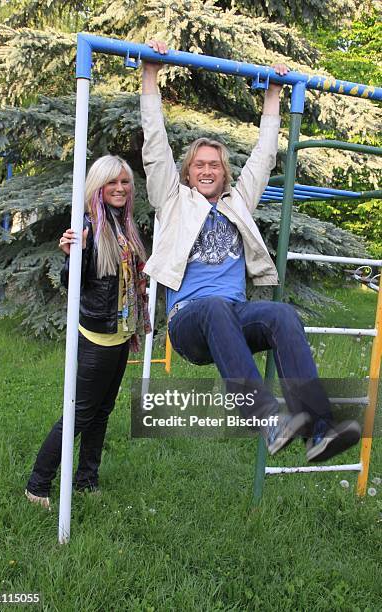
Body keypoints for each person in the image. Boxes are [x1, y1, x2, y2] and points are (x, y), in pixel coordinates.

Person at [140, 40, 361, 461]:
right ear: (187, 172)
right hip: (191, 323)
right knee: (214, 307)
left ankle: (319, 429)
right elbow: (154, 144)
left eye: (215, 165)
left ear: (224, 173)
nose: (207, 170)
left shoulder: (238, 204)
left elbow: (263, 156)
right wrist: (150, 74)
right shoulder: (171, 200)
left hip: (233, 316)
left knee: (281, 313)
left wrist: (273, 94)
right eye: (199, 165)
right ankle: (264, 417)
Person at [25, 155, 150, 509]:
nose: (120, 188)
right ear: (97, 186)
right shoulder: (89, 226)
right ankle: (37, 485)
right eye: (112, 182)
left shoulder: (122, 223)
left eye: (125, 182)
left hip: (121, 333)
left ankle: (86, 479)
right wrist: (70, 255)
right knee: (80, 413)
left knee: (102, 411)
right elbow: (71, 284)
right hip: (98, 337)